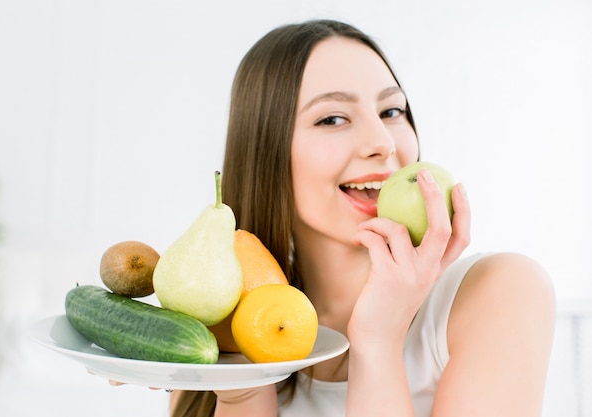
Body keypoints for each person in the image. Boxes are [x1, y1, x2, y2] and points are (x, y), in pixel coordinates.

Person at [168, 19, 556, 416]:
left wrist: (378, 340)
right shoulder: (214, 329)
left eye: (391, 111)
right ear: (266, 153)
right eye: (333, 119)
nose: (383, 143)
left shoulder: (500, 292)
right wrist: (244, 389)